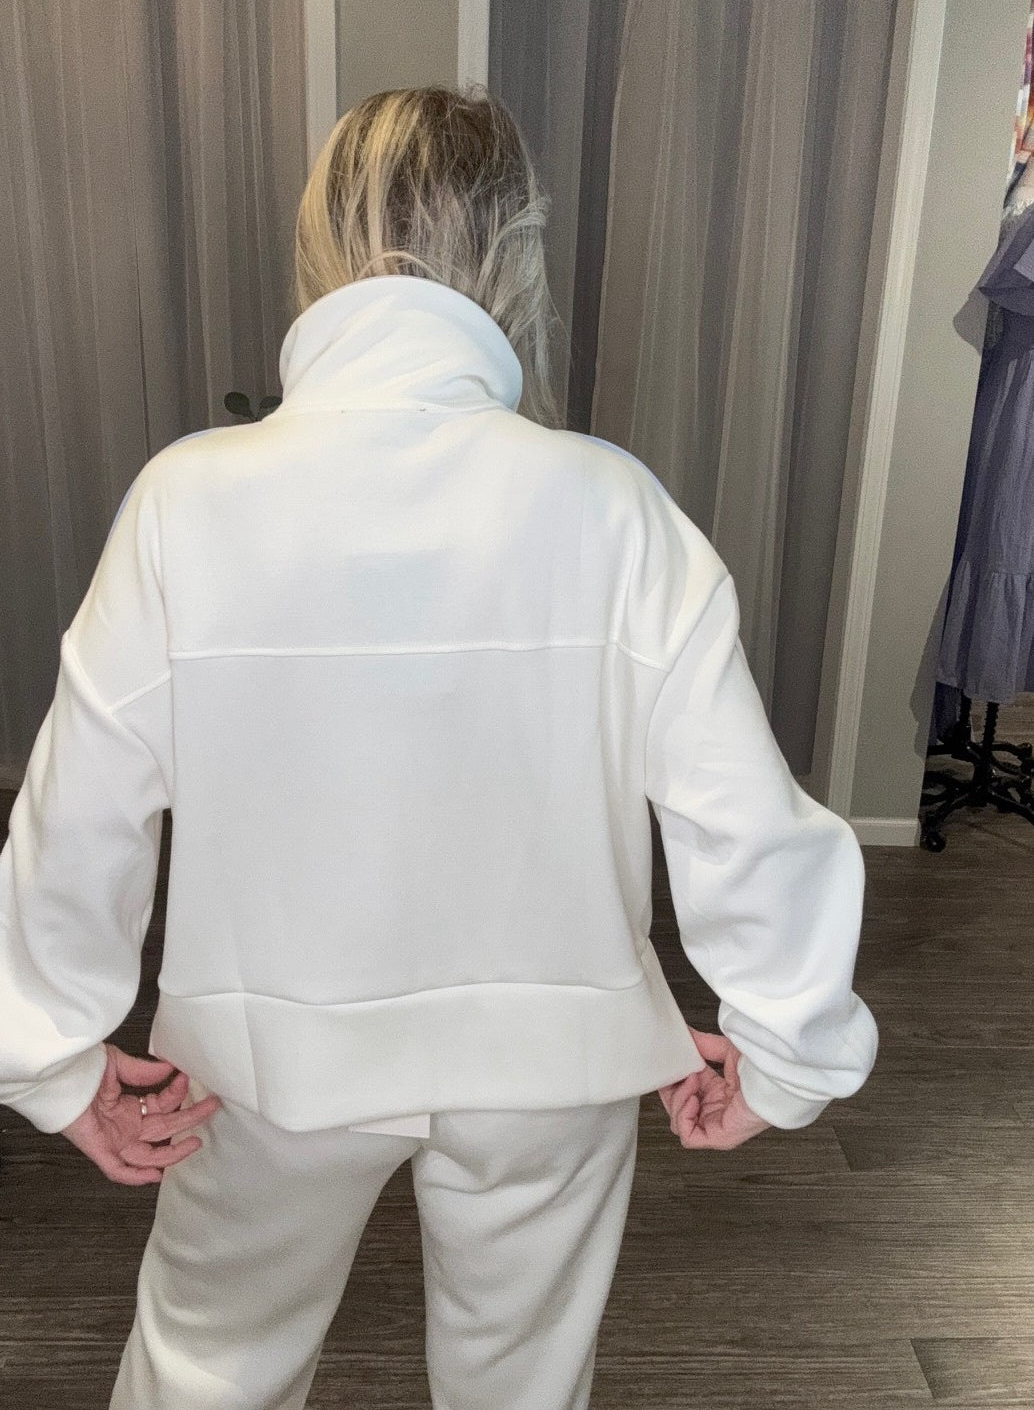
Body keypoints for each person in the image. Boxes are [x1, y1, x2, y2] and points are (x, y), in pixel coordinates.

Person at [0, 84, 878, 1410]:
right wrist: (787, 1043)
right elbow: (738, 813)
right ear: (515, 254)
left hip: (268, 1066)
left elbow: (81, 809)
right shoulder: (610, 506)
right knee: (521, 1383)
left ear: (318, 242)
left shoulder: (187, 502)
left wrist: (51, 1054)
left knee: (208, 1366)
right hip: (551, 1063)